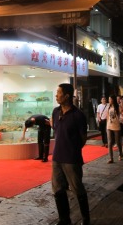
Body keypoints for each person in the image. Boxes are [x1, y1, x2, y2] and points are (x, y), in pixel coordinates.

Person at [51, 83, 90, 225]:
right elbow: (55, 130)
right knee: (58, 189)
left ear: (67, 96)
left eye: (58, 93)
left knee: (77, 189)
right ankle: (64, 219)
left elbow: (83, 138)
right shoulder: (55, 112)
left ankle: (86, 219)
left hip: (72, 159)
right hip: (56, 158)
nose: (56, 95)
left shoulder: (78, 115)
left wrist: (72, 149)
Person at [106, 95, 123, 163]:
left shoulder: (117, 107)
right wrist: (107, 125)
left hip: (116, 125)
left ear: (113, 100)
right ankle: (111, 158)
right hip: (109, 125)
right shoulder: (108, 107)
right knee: (109, 142)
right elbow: (107, 116)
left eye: (110, 99)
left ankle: (120, 153)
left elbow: (122, 114)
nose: (109, 100)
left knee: (117, 141)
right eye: (109, 99)